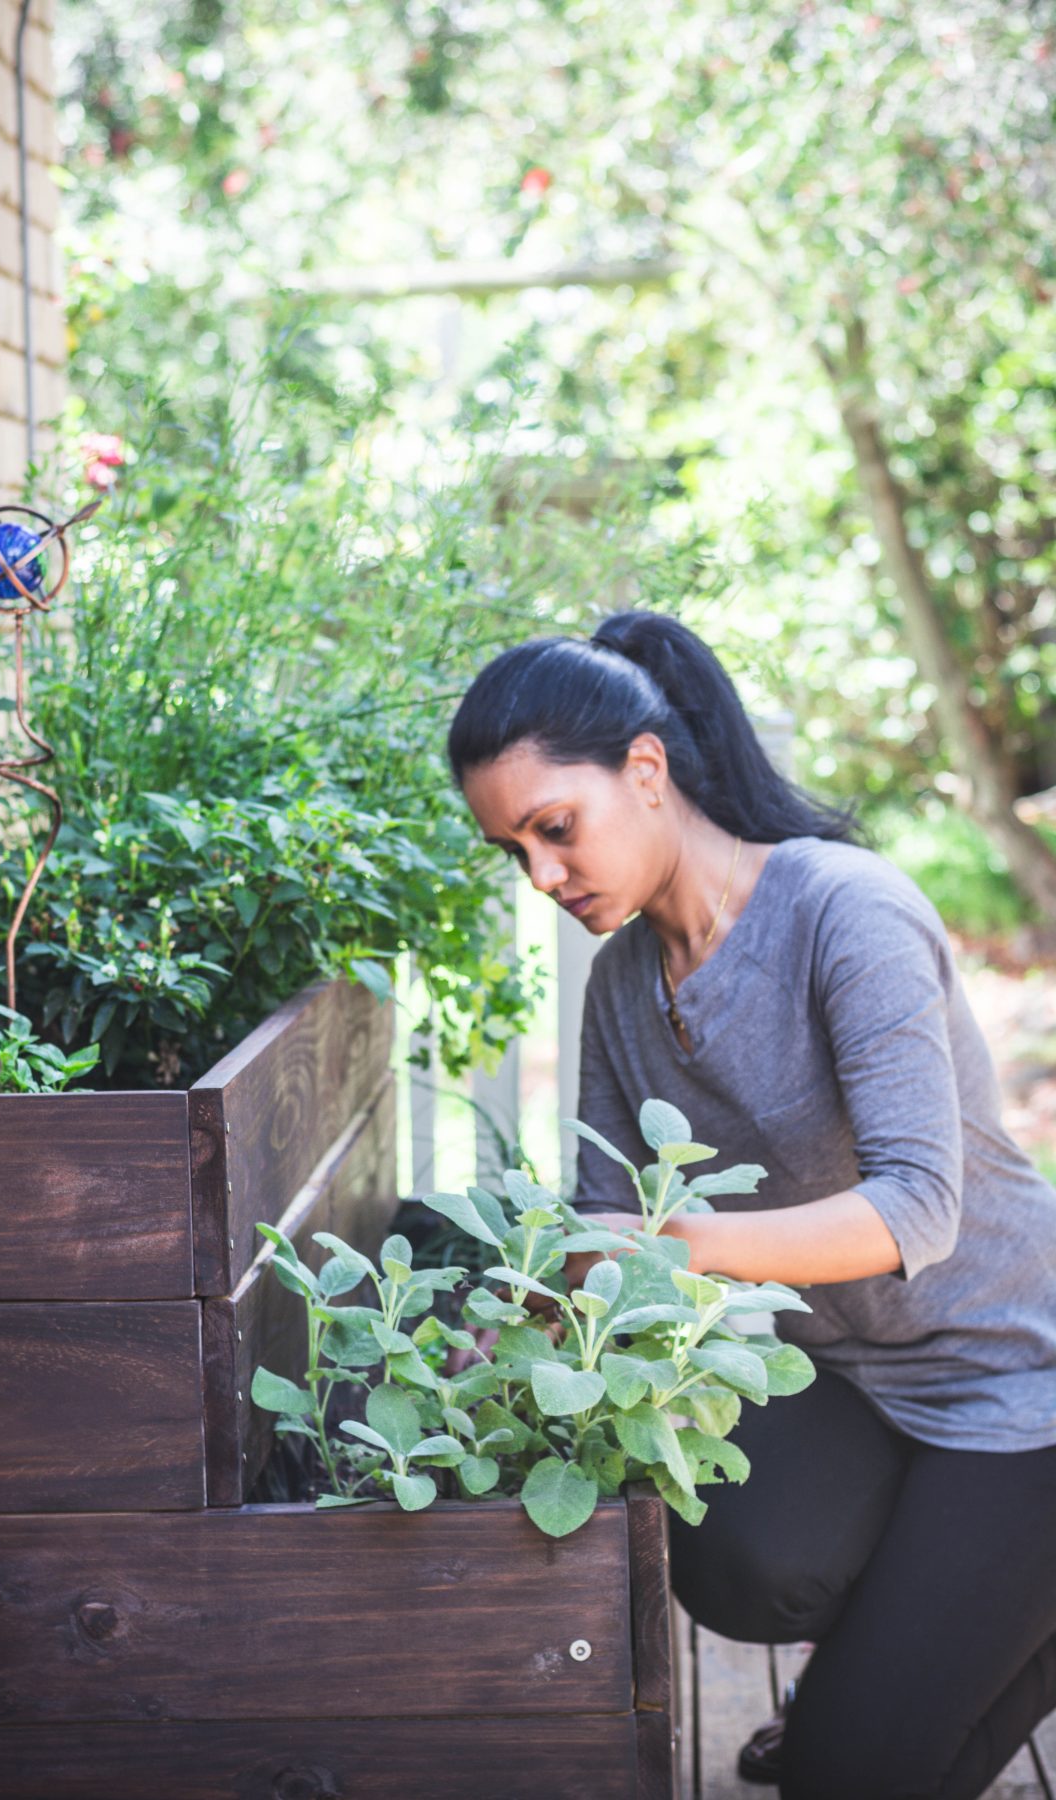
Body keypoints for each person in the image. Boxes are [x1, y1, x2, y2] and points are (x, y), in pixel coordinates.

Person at [447, 610, 1056, 1800]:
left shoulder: (844, 910)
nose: (542, 878)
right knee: (742, 1560)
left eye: (555, 831)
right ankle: (945, 1632)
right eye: (512, 851)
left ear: (647, 769)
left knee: (836, 1775)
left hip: (1018, 1381)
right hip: (860, 1386)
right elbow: (600, 1224)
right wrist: (509, 1325)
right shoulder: (623, 987)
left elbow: (917, 1211)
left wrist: (669, 1246)